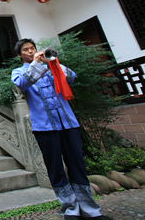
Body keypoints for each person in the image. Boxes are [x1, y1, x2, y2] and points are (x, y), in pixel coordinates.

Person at [11, 38, 112, 220]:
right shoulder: (19, 71)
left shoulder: (51, 67)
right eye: (25, 50)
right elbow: (22, 84)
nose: (30, 51)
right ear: (20, 55)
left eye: (32, 48)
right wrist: (36, 64)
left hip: (68, 123)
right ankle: (70, 208)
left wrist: (54, 63)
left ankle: (90, 209)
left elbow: (71, 77)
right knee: (55, 167)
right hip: (44, 127)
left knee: (77, 164)